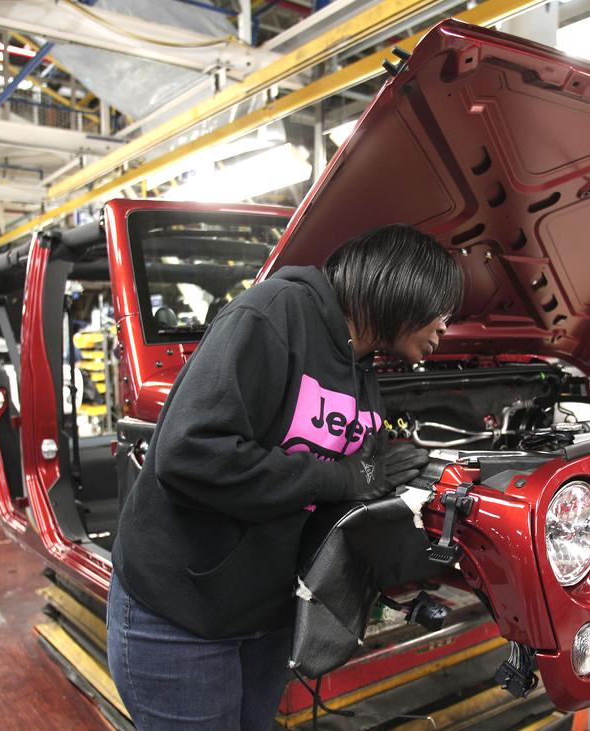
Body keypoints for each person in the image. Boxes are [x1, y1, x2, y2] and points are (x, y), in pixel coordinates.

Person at [107, 224, 463, 730]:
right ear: (402, 288)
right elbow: (190, 453)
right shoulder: (272, 315)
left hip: (267, 615)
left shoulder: (361, 364)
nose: (445, 327)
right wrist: (342, 479)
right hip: (181, 615)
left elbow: (356, 470)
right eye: (441, 311)